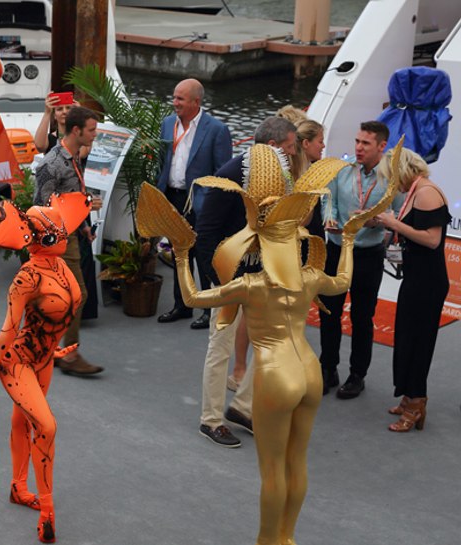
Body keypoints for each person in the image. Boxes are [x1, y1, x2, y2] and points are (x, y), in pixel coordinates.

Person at [138, 141, 382, 545]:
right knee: (297, 462)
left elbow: (193, 299)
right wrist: (351, 241)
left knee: (272, 471)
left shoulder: (250, 284)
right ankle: (287, 536)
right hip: (309, 369)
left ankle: (267, 541)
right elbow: (342, 283)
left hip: (274, 374)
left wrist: (182, 257)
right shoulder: (307, 275)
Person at [0, 192, 94, 545]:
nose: (60, 239)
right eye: (51, 236)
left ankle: (18, 486)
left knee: (23, 421)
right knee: (46, 426)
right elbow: (8, 331)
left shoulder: (59, 266)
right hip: (17, 363)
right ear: (32, 239)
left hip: (43, 359)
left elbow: (46, 319)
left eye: (61, 231)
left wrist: (53, 348)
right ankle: (47, 512)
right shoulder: (26, 279)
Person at [194, 117, 297, 447]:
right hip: (229, 275)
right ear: (275, 146)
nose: (293, 155)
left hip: (260, 273)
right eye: (291, 148)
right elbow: (205, 233)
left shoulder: (278, 177)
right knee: (220, 349)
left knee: (269, 345)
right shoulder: (229, 175)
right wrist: (219, 282)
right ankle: (210, 420)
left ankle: (241, 407)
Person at [320, 121, 403, 399]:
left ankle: (357, 375)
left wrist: (375, 221)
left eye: (365, 144)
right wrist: (329, 217)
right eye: (357, 141)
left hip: (368, 254)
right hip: (335, 250)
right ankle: (327, 369)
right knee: (328, 312)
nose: (358, 148)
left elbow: (399, 218)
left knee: (362, 316)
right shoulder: (342, 170)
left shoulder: (393, 179)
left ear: (382, 146)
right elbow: (327, 199)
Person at [374, 148, 450, 432]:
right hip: (417, 278)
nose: (392, 184)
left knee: (418, 341)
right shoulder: (417, 191)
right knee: (407, 336)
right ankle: (409, 397)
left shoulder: (428, 193)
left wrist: (394, 224)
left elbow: (432, 240)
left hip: (427, 281)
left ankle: (416, 404)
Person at [155, 78, 232, 330]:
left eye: (180, 99)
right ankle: (182, 305)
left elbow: (223, 173)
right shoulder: (167, 124)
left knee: (204, 256)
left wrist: (214, 206)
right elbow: (162, 163)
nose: (174, 102)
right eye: (174, 97)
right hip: (173, 198)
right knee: (180, 253)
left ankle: (209, 309)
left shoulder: (216, 130)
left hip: (202, 202)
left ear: (196, 102)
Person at [33, 106, 104, 377]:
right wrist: (85, 205)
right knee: (77, 295)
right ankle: (68, 354)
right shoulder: (52, 163)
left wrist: (84, 224)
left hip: (71, 234)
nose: (95, 134)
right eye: (92, 130)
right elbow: (41, 207)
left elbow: (72, 194)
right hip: (57, 240)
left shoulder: (72, 157)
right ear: (77, 131)